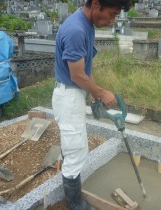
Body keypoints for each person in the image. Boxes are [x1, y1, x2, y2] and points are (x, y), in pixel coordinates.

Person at [52, 0, 130, 209]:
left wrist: (93, 92)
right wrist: (101, 93)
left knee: (73, 146)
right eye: (112, 14)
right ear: (96, 4)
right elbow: (76, 75)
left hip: (73, 94)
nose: (112, 21)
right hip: (69, 96)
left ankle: (72, 193)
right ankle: (75, 205)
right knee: (76, 151)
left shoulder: (86, 25)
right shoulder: (77, 29)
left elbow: (85, 69)